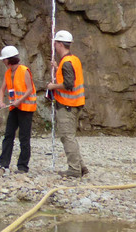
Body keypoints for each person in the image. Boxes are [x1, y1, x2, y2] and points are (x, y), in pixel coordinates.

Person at [46, 30, 88, 178]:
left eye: (55, 43)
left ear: (59, 44)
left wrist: (52, 87)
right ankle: (81, 167)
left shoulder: (67, 63)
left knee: (67, 136)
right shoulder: (72, 60)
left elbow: (68, 84)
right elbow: (71, 77)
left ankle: (74, 170)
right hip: (75, 104)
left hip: (68, 105)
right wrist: (57, 68)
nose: (55, 46)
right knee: (69, 136)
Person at [0, 45, 36, 173]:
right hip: (14, 108)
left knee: (24, 138)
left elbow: (29, 89)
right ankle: (3, 164)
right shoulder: (8, 73)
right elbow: (2, 88)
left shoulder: (24, 70)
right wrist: (1, 101)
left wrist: (20, 100)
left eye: (4, 59)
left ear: (8, 59)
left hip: (26, 108)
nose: (3, 62)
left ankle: (22, 167)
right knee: (8, 135)